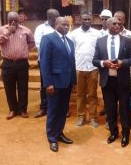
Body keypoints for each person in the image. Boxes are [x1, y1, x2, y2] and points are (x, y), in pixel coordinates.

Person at [92, 17, 131, 147]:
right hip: (107, 81)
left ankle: (126, 134)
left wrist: (123, 62)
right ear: (107, 25)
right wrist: (103, 63)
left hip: (123, 81)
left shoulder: (127, 41)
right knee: (110, 109)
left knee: (125, 109)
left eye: (119, 23)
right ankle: (113, 132)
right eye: (114, 23)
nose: (118, 25)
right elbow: (94, 60)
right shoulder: (100, 41)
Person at [40, 17, 76, 152]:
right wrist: (48, 83)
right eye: (64, 24)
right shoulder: (48, 39)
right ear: (56, 25)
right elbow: (44, 63)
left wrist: (74, 81)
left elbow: (71, 63)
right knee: (53, 111)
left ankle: (59, 133)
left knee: (62, 110)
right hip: (54, 83)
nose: (66, 27)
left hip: (66, 83)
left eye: (68, 25)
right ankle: (52, 138)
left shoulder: (70, 42)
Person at [0, 11, 35, 120]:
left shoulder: (26, 30)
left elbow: (31, 42)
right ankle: (12, 109)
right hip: (7, 63)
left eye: (15, 20)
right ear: (7, 20)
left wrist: (24, 50)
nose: (13, 22)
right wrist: (7, 33)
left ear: (19, 20)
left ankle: (22, 110)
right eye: (10, 20)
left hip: (22, 63)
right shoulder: (1, 30)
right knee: (9, 88)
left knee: (23, 87)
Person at [69, 11, 101, 128]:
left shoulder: (97, 34)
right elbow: (71, 52)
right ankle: (81, 117)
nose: (87, 21)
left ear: (91, 20)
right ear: (79, 20)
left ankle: (93, 117)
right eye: (84, 19)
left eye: (89, 19)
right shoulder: (74, 34)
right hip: (79, 68)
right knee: (80, 95)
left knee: (92, 95)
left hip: (93, 68)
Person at [34, 8, 60, 118]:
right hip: (45, 62)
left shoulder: (61, 27)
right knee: (45, 84)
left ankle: (60, 107)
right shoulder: (40, 28)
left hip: (59, 63)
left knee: (59, 84)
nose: (58, 18)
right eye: (56, 16)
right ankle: (44, 107)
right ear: (50, 17)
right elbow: (40, 46)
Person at [114, 11, 131, 114]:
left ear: (124, 20)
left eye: (120, 19)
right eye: (116, 18)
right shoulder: (109, 34)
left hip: (129, 65)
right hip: (113, 66)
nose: (117, 21)